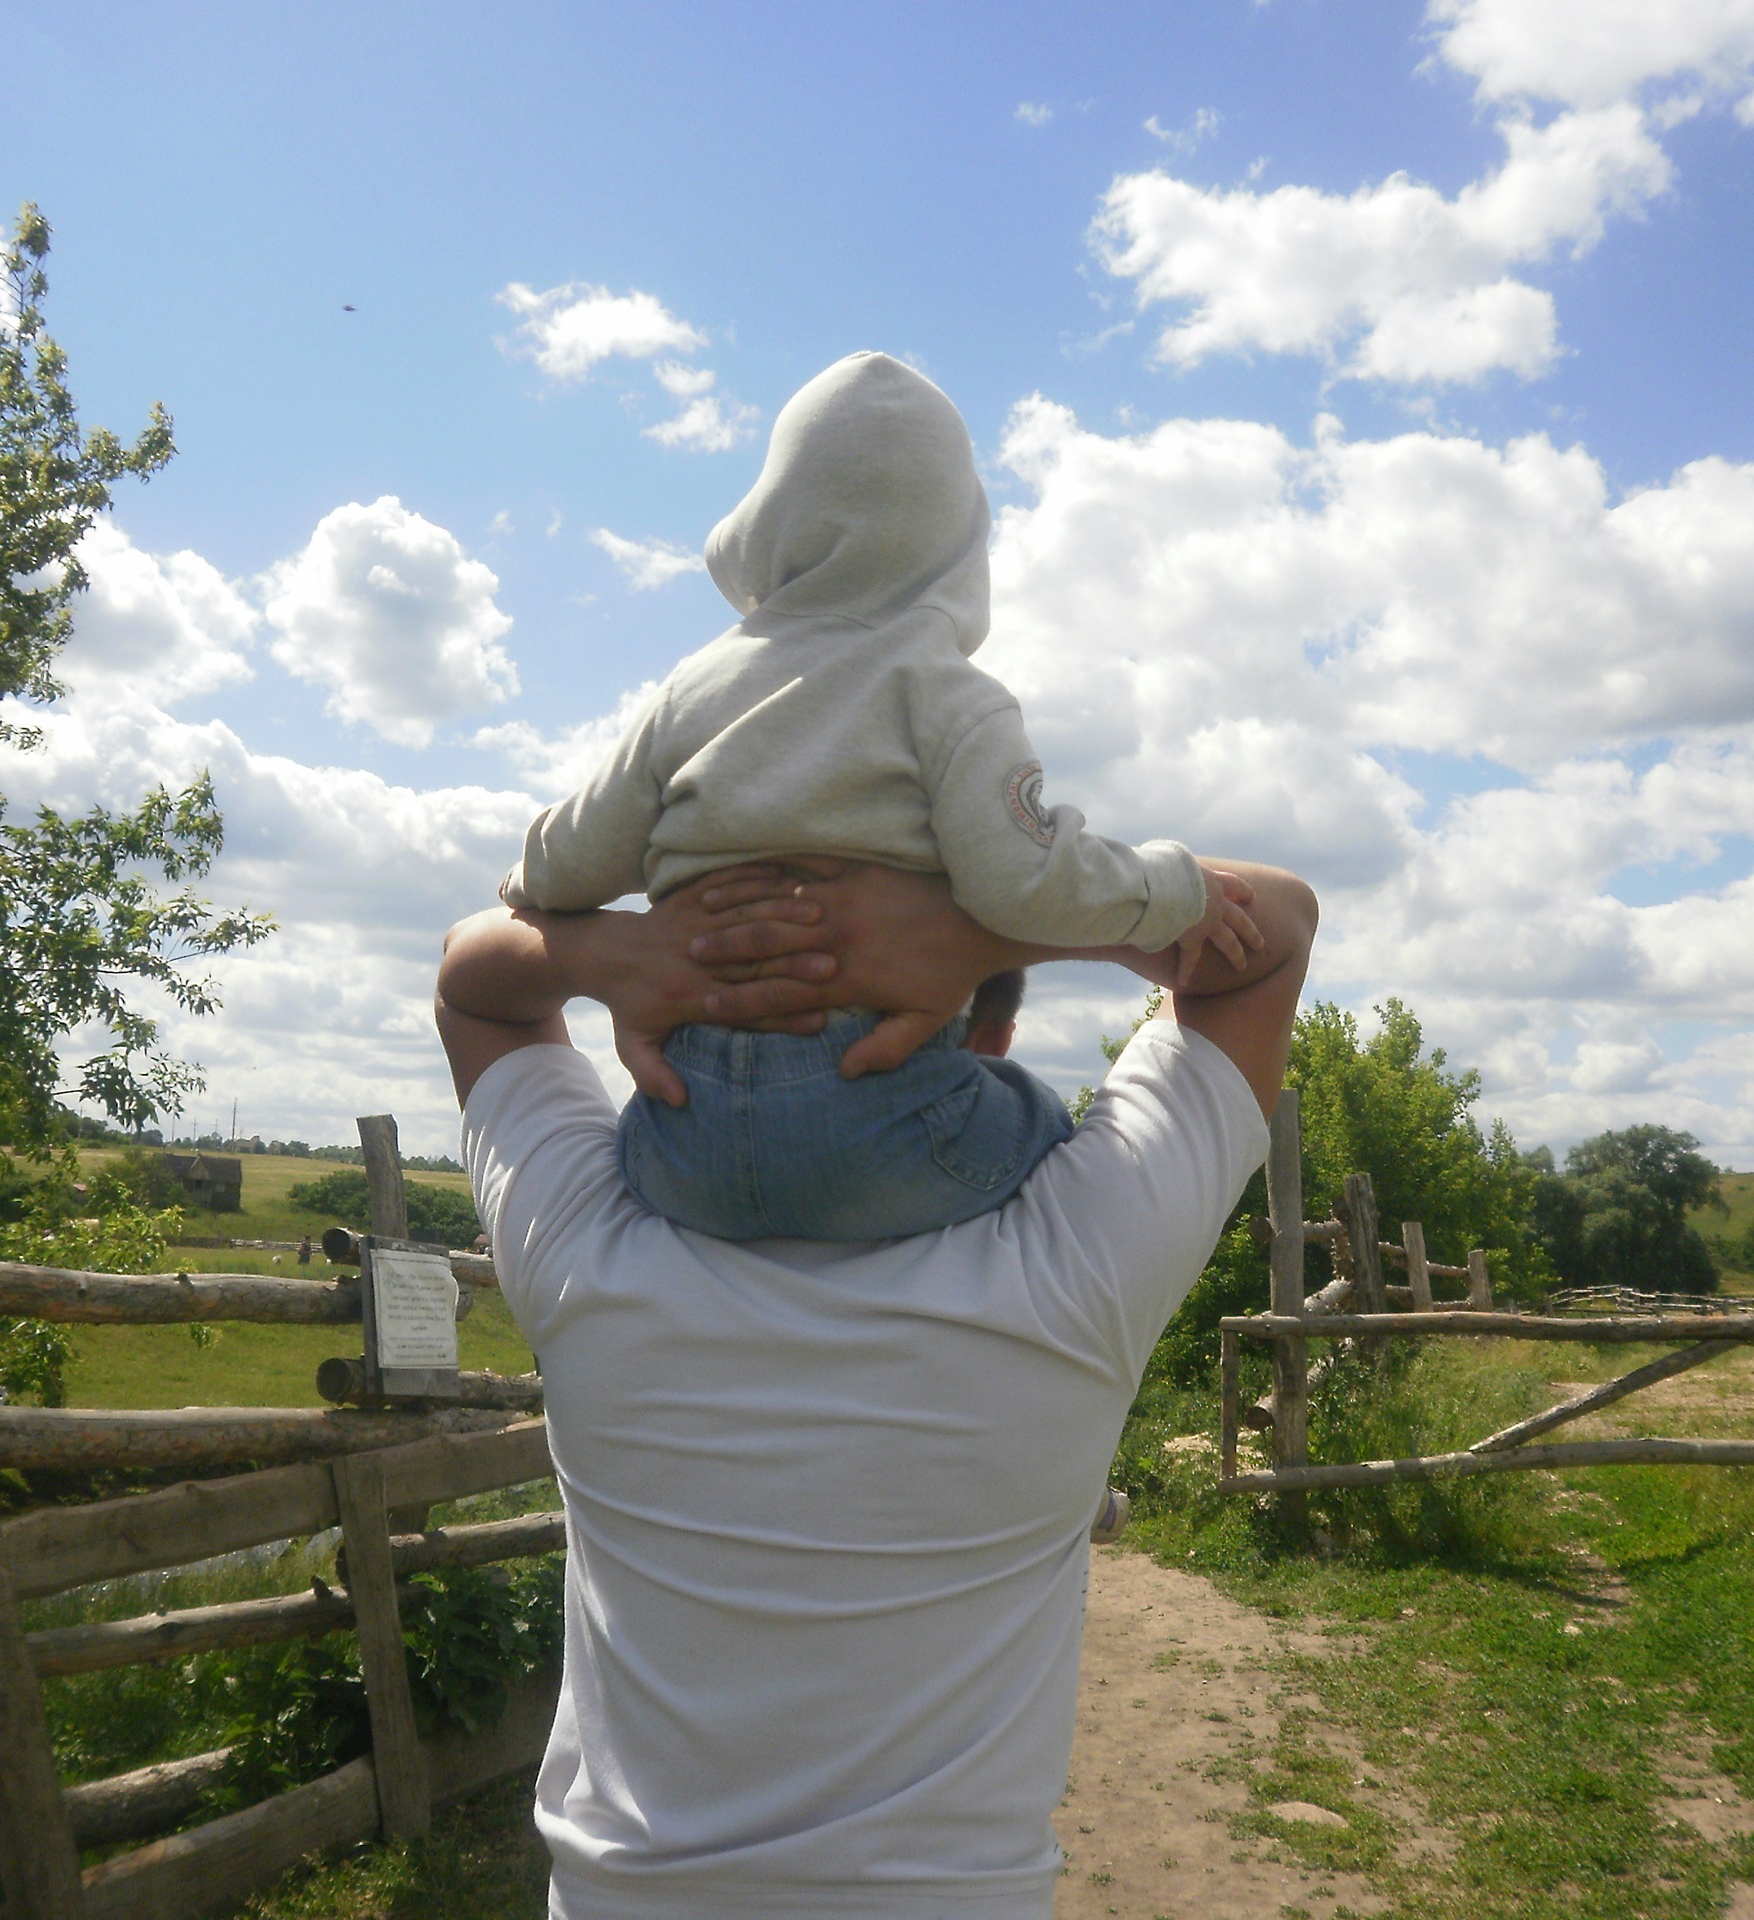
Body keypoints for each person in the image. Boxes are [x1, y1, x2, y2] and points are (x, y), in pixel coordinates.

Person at [435, 854, 1316, 1920]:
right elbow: (1271, 929)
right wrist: (982, 928)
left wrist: (620, 951)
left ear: (685, 1028)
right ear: (987, 1037)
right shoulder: (1077, 1261)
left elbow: (472, 985)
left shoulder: (590, 1250)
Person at [496, 351, 1260, 1241]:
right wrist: (1175, 887)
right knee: (1042, 1115)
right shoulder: (948, 693)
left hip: (682, 1137)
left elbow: (571, 861)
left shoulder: (690, 691)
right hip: (885, 1127)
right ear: (960, 545)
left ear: (768, 521)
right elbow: (1026, 885)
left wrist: (522, 878)